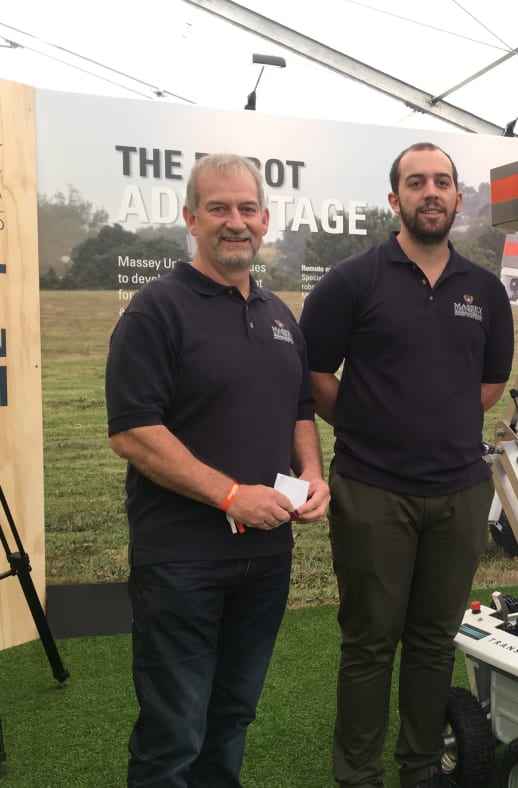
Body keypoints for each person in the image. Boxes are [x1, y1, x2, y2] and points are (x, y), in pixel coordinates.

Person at [105, 153, 330, 787]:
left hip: (266, 558)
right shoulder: (157, 310)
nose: (236, 222)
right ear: (191, 219)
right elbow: (133, 432)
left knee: (231, 715)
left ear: (265, 219)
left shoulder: (280, 315)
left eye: (247, 209)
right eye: (219, 208)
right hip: (181, 562)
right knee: (173, 731)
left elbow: (300, 411)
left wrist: (312, 473)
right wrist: (229, 495)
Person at [298, 142, 514, 787]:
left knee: (431, 642)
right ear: (395, 199)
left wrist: (436, 426)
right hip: (372, 490)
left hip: (459, 492)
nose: (431, 192)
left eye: (442, 182)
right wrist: (373, 424)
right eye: (416, 182)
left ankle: (420, 767)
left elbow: (489, 385)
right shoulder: (352, 279)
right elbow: (311, 374)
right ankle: (357, 775)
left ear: (456, 196)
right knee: (369, 644)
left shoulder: (484, 290)